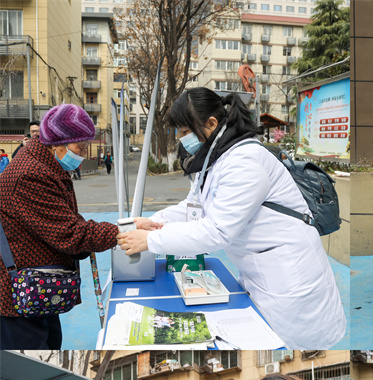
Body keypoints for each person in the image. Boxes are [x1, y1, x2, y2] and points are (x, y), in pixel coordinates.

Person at [116, 88, 346, 349]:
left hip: (289, 275)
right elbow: (194, 207)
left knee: (292, 347)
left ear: (211, 124)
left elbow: (217, 231)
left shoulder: (245, 161)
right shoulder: (216, 159)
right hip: (262, 269)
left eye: (185, 131)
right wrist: (153, 222)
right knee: (266, 337)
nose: (181, 139)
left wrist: (151, 240)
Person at [0, 104, 119, 350]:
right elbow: (69, 233)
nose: (83, 154)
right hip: (17, 292)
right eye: (80, 147)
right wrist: (120, 232)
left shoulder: (45, 165)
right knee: (31, 359)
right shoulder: (31, 174)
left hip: (38, 283)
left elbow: (65, 219)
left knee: (50, 345)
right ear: (58, 144)